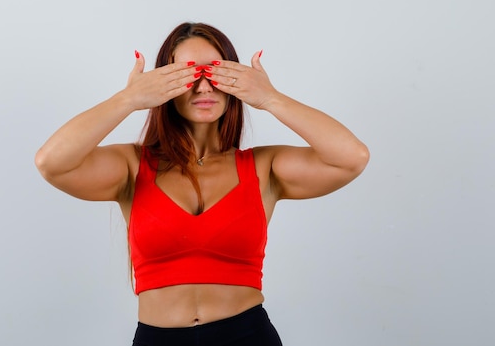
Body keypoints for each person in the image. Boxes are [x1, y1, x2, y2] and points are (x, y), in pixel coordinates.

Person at [35, 22, 369, 345]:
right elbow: (51, 163)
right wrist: (128, 100)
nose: (204, 87)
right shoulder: (132, 166)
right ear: (164, 83)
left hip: (248, 336)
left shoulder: (263, 168)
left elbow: (352, 157)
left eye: (215, 74)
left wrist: (271, 99)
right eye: (189, 75)